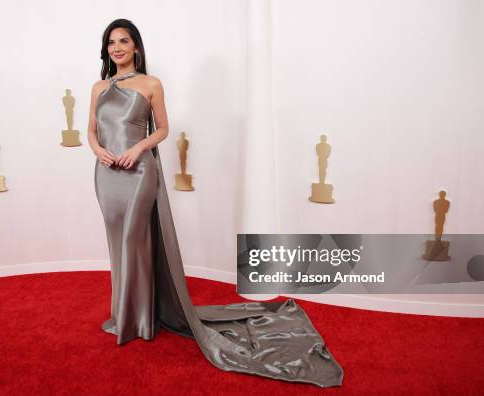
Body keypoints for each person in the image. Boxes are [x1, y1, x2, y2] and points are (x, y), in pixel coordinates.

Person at [86, 19, 343, 388]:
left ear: (136, 47)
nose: (117, 48)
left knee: (135, 242)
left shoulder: (150, 83)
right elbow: (91, 133)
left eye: (123, 41)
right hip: (106, 174)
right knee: (117, 244)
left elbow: (162, 129)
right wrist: (100, 153)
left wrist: (137, 148)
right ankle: (127, 314)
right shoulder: (97, 87)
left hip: (139, 172)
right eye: (111, 43)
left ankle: (137, 319)